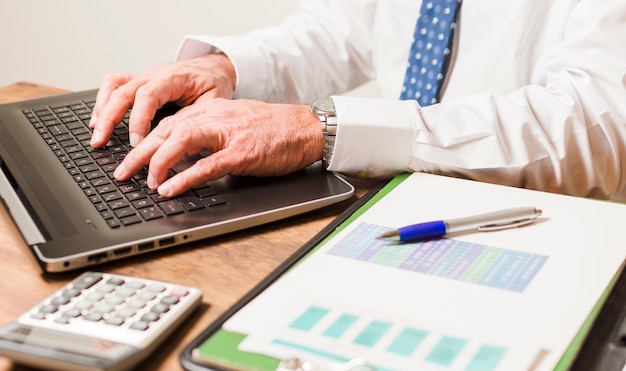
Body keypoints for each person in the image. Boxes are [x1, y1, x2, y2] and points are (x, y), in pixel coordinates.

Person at [89, 0, 626, 202]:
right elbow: (344, 26)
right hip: (392, 202)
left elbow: (592, 126)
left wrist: (319, 129)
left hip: (542, 224)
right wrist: (225, 67)